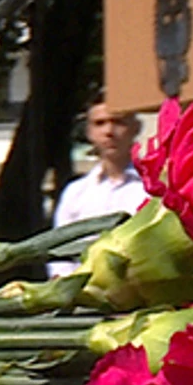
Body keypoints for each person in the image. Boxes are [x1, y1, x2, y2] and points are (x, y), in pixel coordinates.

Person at [48, 94, 148, 275]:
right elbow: (58, 250)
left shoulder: (153, 189)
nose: (109, 131)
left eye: (119, 122)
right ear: (89, 132)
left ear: (136, 128)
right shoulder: (75, 192)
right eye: (100, 123)